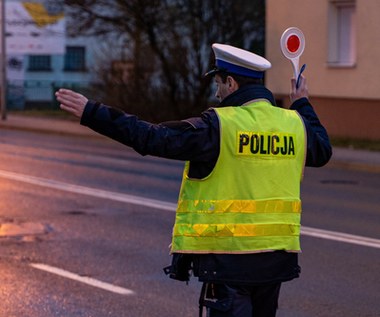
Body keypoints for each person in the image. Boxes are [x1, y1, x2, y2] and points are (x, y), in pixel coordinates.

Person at [56, 43, 332, 317]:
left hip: (229, 264)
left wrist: (93, 113)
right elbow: (322, 150)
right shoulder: (293, 125)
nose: (216, 92)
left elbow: (154, 137)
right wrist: (302, 103)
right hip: (275, 263)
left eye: (219, 83)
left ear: (232, 83)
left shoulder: (219, 126)